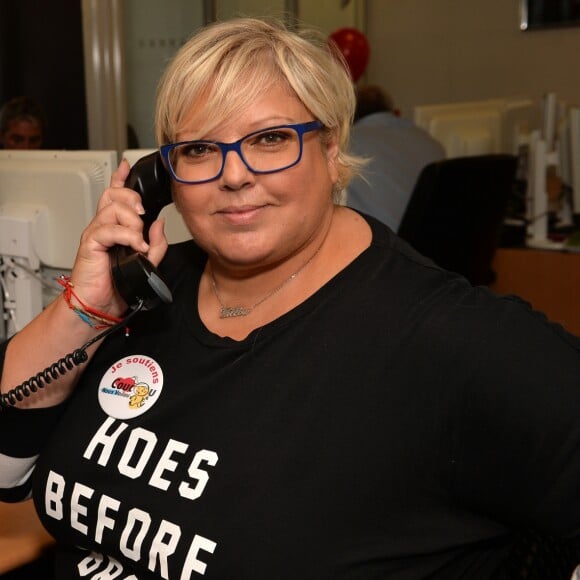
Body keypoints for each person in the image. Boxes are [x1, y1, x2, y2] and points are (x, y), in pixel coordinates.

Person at [0, 16, 580, 580]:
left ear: (332, 150)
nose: (234, 175)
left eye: (271, 139)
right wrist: (85, 310)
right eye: (200, 149)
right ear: (164, 176)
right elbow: (6, 471)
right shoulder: (149, 293)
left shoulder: (448, 337)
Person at [347, 84, 446, 232]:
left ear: (350, 117)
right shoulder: (430, 141)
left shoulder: (347, 146)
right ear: (394, 112)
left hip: (386, 246)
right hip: (437, 244)